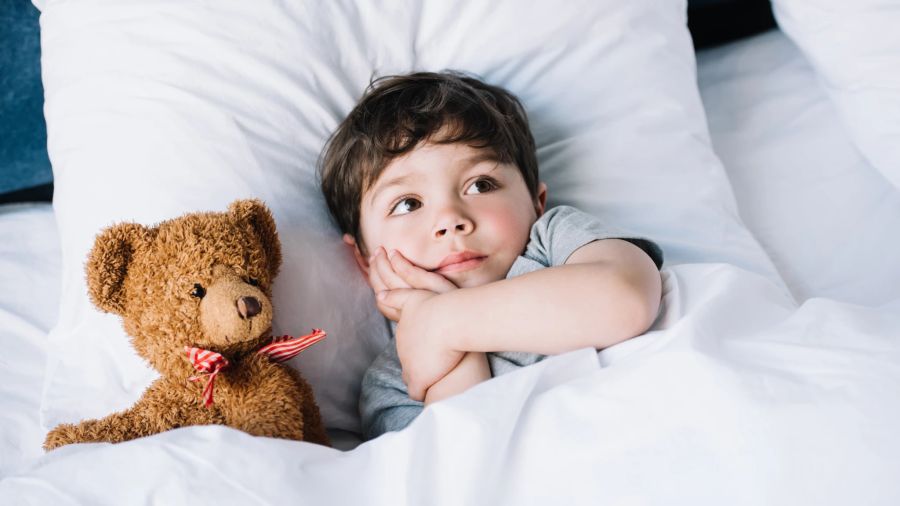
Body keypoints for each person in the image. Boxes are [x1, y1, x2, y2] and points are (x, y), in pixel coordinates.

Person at [318, 71, 664, 440]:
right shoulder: (397, 380)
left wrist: (444, 321)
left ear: (536, 203)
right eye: (408, 204)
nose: (450, 220)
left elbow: (626, 297)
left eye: (480, 185)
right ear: (366, 259)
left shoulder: (553, 242)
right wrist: (450, 350)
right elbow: (467, 469)